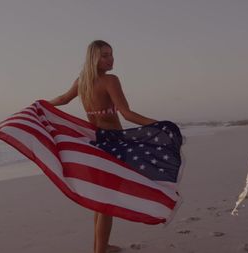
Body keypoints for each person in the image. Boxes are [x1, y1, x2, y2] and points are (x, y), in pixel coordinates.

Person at [48, 40, 158, 253]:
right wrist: (159, 125)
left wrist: (41, 104)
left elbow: (62, 99)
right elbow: (127, 114)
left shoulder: (82, 82)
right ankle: (99, 251)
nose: (111, 59)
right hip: (114, 144)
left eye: (111, 54)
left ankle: (102, 246)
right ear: (94, 59)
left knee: (101, 199)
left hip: (95, 143)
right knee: (108, 200)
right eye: (105, 55)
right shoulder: (110, 80)